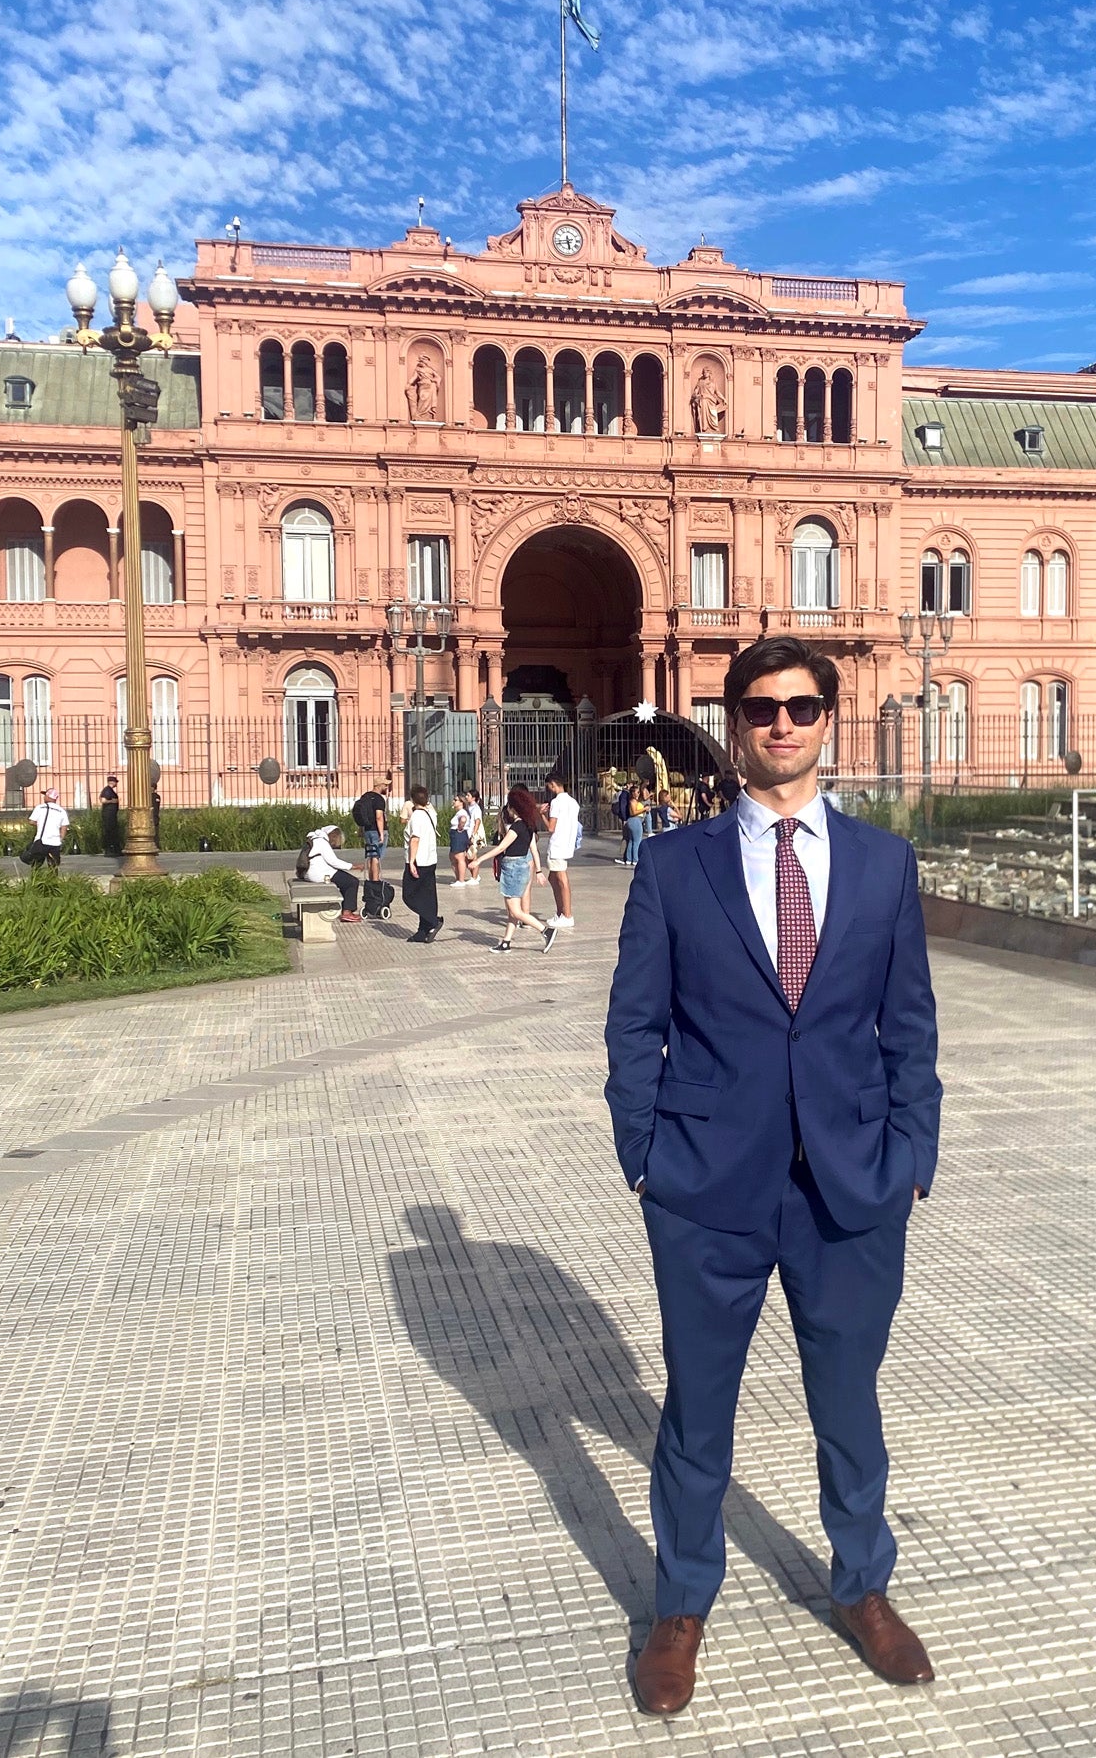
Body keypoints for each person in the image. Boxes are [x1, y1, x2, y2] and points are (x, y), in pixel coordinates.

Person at [604, 634, 941, 1718]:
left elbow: (909, 1030)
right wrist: (646, 1156)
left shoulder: (885, 865)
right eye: (759, 709)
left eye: (800, 707)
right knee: (698, 1411)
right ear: (734, 724)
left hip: (849, 1188)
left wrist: (911, 1158)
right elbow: (632, 1028)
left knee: (848, 1403)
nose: (780, 725)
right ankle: (680, 1605)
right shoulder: (672, 866)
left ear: (827, 720)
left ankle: (862, 1586)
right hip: (707, 1188)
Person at [475, 785, 552, 951]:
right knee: (512, 911)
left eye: (509, 806)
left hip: (513, 869)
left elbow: (500, 848)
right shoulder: (529, 826)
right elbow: (534, 850)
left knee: (516, 911)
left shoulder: (516, 827)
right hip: (522, 867)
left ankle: (546, 931)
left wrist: (479, 860)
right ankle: (506, 941)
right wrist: (538, 871)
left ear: (513, 808)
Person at [401, 785, 444, 943]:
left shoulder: (417, 817)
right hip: (430, 859)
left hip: (419, 860)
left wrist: (412, 861)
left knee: (409, 895)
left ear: (412, 799)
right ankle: (423, 930)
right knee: (427, 895)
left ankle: (432, 920)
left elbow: (415, 839)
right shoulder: (430, 813)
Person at [544, 772, 582, 932]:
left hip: (558, 844)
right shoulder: (573, 802)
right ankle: (561, 912)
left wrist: (542, 815)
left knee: (561, 878)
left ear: (553, 784)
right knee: (553, 877)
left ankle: (567, 914)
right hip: (567, 842)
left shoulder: (556, 802)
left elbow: (551, 827)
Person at [302, 825, 361, 921]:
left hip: (308, 873)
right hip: (319, 874)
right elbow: (333, 861)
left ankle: (346, 909)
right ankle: (347, 912)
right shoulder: (322, 842)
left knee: (344, 881)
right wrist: (353, 866)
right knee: (352, 882)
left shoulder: (314, 838)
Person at [353, 778, 390, 896]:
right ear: (379, 785)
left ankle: (371, 879)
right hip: (377, 830)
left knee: (370, 855)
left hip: (367, 830)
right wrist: (381, 834)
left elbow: (363, 813)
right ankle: (375, 881)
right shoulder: (379, 799)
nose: (386, 787)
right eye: (385, 785)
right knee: (376, 857)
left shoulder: (365, 797)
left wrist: (361, 829)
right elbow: (379, 816)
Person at [26, 788, 69, 869]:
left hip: (41, 841)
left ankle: (36, 880)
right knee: (53, 866)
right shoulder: (61, 811)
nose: (44, 797)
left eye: (45, 795)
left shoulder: (40, 808)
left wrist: (41, 825)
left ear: (48, 797)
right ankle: (53, 880)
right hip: (55, 842)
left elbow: (31, 821)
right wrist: (61, 839)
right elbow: (64, 827)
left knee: (36, 866)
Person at [449, 791, 475, 883]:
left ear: (461, 802)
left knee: (459, 857)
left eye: (455, 800)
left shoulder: (462, 812)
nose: (453, 801)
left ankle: (461, 880)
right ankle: (458, 878)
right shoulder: (460, 812)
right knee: (453, 856)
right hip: (457, 835)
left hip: (458, 835)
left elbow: (463, 819)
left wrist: (460, 827)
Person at [98, 774, 122, 856]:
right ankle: (109, 850)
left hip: (111, 814)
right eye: (116, 782)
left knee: (113, 832)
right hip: (109, 815)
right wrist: (113, 801)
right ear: (112, 782)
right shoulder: (107, 790)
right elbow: (103, 800)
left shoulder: (109, 790)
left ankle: (114, 849)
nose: (116, 784)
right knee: (109, 831)